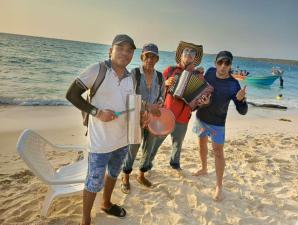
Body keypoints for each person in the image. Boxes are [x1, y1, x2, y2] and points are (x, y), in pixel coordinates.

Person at [66, 34, 145, 225]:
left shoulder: (132, 78)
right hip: (100, 141)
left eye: (130, 50)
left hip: (122, 140)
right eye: (121, 48)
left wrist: (142, 116)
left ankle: (107, 203)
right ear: (111, 50)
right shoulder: (98, 70)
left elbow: (131, 105)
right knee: (94, 181)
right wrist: (97, 112)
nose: (125, 53)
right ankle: (85, 220)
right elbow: (71, 94)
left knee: (114, 173)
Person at [192, 51, 248, 201]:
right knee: (201, 142)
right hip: (201, 117)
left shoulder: (233, 84)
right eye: (220, 63)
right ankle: (204, 168)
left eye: (227, 63)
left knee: (218, 153)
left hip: (217, 123)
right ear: (215, 63)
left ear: (230, 66)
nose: (223, 66)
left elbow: (242, 111)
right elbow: (198, 87)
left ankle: (219, 186)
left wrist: (241, 100)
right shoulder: (209, 72)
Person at [144, 41, 204, 172]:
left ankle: (175, 163)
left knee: (178, 142)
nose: (188, 54)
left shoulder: (199, 75)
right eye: (186, 51)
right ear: (181, 55)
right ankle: (147, 163)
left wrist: (203, 100)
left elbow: (200, 97)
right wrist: (165, 83)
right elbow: (154, 88)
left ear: (195, 57)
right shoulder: (170, 70)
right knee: (156, 141)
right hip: (166, 114)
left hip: (184, 116)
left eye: (192, 52)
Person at [121, 43, 165, 193]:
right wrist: (146, 107)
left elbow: (162, 97)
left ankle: (141, 175)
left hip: (153, 118)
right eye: (147, 56)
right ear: (142, 57)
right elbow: (129, 95)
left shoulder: (160, 76)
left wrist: (158, 105)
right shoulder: (134, 73)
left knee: (149, 147)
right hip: (136, 117)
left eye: (153, 57)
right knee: (132, 148)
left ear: (157, 59)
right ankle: (125, 177)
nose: (150, 59)